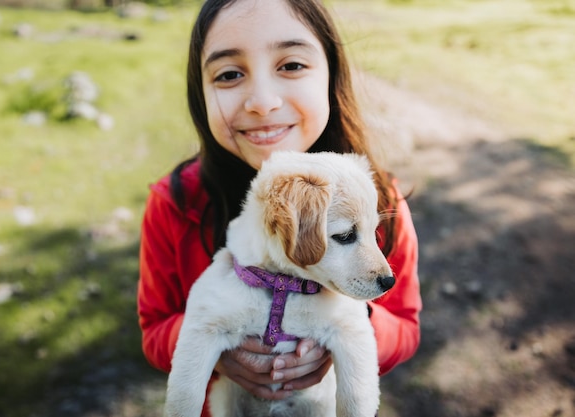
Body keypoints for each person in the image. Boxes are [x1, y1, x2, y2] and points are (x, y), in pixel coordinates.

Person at [137, 0, 422, 415]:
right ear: (200, 94)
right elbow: (154, 329)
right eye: (230, 74)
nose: (263, 102)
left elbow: (406, 327)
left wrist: (344, 327)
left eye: (290, 66)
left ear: (331, 75)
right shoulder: (174, 204)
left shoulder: (376, 199)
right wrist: (215, 340)